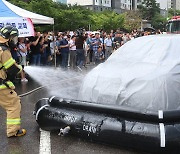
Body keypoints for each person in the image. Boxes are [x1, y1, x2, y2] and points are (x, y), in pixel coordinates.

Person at [0, 25, 26, 137]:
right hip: (1, 85)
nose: (14, 41)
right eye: (14, 38)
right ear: (9, 37)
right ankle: (13, 131)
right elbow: (11, 68)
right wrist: (20, 68)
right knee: (13, 105)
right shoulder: (3, 50)